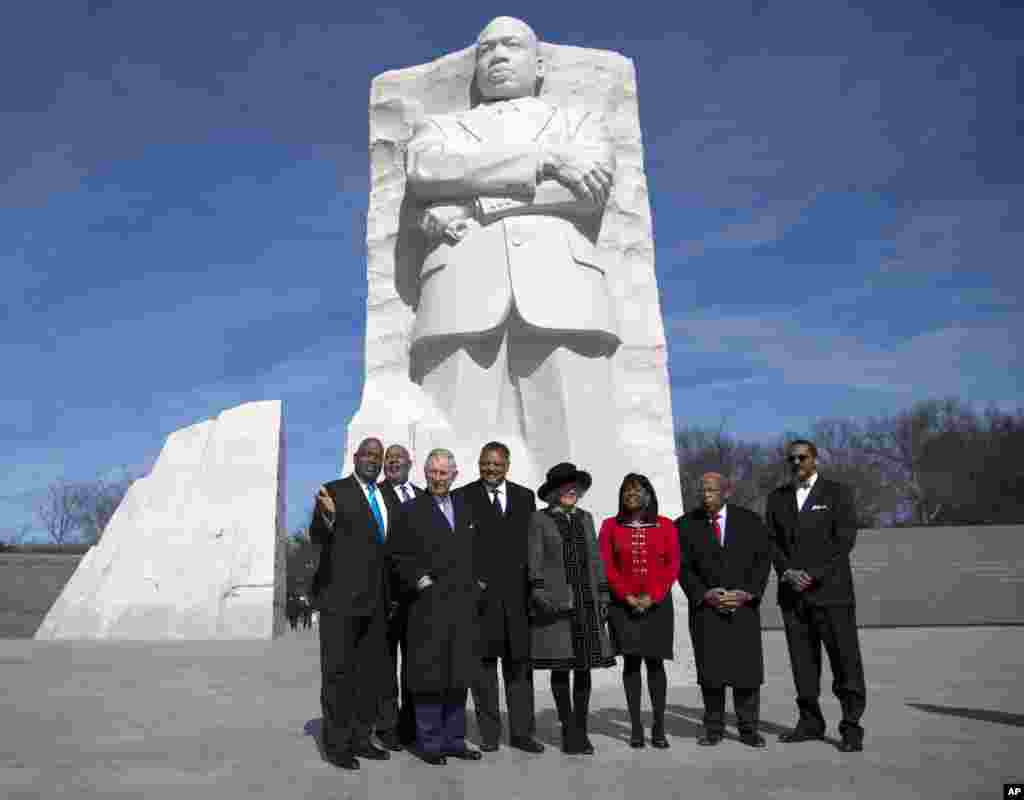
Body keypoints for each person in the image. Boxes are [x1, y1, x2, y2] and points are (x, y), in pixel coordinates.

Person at [403, 16, 620, 488]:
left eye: (512, 46)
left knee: (581, 458)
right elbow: (428, 171)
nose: (498, 56)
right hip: (459, 290)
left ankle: (582, 560)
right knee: (449, 459)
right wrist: (544, 161)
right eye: (486, 49)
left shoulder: (576, 121)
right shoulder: (441, 128)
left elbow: (587, 193)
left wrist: (475, 202)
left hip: (564, 288)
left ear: (539, 64)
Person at [765, 439, 867, 753]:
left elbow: (845, 540)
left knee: (845, 663)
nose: (796, 463)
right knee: (803, 665)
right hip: (793, 596)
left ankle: (851, 727)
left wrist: (815, 574)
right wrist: (788, 572)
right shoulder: (777, 498)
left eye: (802, 457)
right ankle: (810, 722)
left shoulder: (837, 493)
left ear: (815, 459)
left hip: (831, 594)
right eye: (791, 459)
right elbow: (771, 542)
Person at [386, 449, 483, 765]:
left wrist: (480, 583)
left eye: (444, 473)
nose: (438, 479)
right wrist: (420, 580)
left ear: (455, 475)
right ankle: (430, 743)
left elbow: (484, 550)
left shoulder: (467, 508)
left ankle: (454, 740)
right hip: (427, 606)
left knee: (458, 673)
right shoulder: (408, 510)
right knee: (429, 676)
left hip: (463, 605)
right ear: (425, 474)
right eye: (433, 473)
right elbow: (397, 555)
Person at [309, 437, 400, 770]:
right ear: (356, 456)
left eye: (378, 456)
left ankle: (362, 739)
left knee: (369, 676)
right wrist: (328, 518)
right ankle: (336, 744)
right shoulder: (333, 491)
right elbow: (317, 537)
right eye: (368, 455)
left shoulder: (385, 497)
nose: (373, 460)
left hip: (376, 603)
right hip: (341, 601)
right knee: (338, 674)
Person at [454, 442, 544, 753]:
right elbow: (458, 548)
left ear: (507, 465)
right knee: (483, 670)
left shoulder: (524, 497)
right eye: (485, 463)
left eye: (496, 464)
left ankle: (522, 734)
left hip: (518, 598)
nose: (490, 469)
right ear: (479, 463)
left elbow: (532, 546)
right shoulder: (462, 496)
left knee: (519, 669)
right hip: (481, 600)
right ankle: (490, 734)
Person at [676, 473, 772, 748]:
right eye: (702, 490)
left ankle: (748, 729)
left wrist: (748, 593)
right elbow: (683, 568)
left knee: (747, 671)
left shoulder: (750, 521)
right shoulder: (684, 525)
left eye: (711, 490)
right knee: (711, 672)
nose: (705, 495)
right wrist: (703, 593)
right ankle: (714, 728)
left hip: (743, 607)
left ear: (726, 492)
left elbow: (762, 561)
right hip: (707, 609)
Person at [527, 462, 615, 755]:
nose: (571, 490)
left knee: (584, 668)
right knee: (561, 666)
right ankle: (568, 728)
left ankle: (580, 727)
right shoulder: (540, 519)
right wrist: (539, 591)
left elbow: (596, 559)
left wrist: (603, 594)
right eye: (565, 486)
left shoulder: (586, 518)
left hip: (587, 602)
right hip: (558, 603)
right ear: (553, 492)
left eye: (574, 486)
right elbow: (534, 559)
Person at [598, 474, 679, 748]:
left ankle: (658, 726)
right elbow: (606, 566)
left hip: (657, 605)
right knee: (631, 664)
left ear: (648, 494)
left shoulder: (666, 525)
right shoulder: (610, 526)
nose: (631, 493)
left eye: (637, 489)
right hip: (624, 606)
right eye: (626, 490)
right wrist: (628, 597)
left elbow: (672, 565)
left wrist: (652, 597)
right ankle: (635, 727)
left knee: (655, 664)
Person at [376, 443, 424, 749]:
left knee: (416, 664)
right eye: (389, 460)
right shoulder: (376, 494)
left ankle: (412, 725)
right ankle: (387, 726)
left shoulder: (423, 495)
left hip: (420, 596)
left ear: (409, 463)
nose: (394, 464)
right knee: (385, 664)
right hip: (386, 594)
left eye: (399, 459)